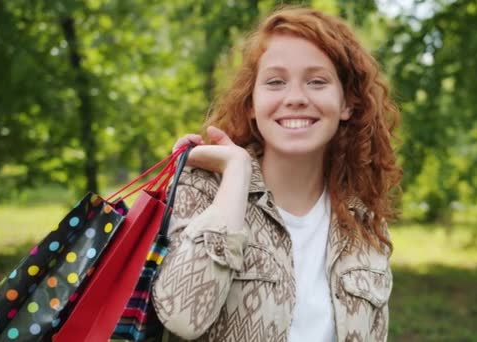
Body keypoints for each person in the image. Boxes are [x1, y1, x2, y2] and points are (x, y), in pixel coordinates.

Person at [152, 5, 402, 342]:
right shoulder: (204, 191)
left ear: (346, 103)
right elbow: (182, 317)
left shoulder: (365, 225)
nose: (296, 98)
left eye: (317, 81)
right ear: (252, 103)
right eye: (275, 82)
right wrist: (237, 173)